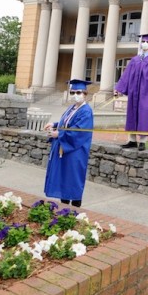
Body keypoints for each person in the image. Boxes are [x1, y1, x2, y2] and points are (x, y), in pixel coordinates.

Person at [44, 79, 94, 208]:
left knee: (73, 180)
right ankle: (64, 208)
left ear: (85, 94)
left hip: (76, 151)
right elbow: (66, 122)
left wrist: (58, 134)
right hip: (65, 150)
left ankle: (75, 209)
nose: (75, 95)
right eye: (72, 92)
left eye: (78, 92)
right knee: (64, 178)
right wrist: (54, 124)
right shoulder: (72, 107)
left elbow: (79, 132)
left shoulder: (86, 111)